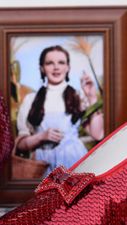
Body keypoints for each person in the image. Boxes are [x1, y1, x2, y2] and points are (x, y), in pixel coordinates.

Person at [16, 45, 104, 175]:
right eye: (50, 63)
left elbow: (98, 134)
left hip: (74, 161)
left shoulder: (78, 96)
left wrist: (91, 97)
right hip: (43, 165)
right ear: (42, 68)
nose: (56, 67)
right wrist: (41, 137)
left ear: (67, 67)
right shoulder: (31, 99)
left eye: (61, 62)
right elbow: (20, 145)